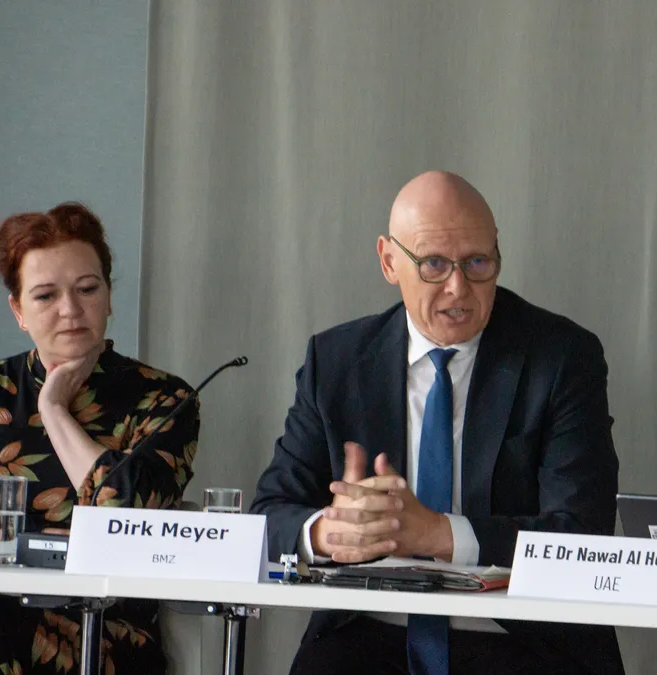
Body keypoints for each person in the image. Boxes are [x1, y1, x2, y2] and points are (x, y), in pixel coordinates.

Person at [250, 170, 623, 675]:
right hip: (369, 632)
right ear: (388, 260)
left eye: (477, 263)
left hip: (517, 637)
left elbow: (581, 534)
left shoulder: (561, 358)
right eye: (432, 264)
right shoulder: (337, 361)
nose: (458, 288)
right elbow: (270, 513)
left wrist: (439, 534)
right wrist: (328, 533)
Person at [0, 203, 200, 675]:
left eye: (87, 288)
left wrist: (54, 410)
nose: (70, 310)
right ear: (18, 310)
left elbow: (133, 515)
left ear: (108, 297)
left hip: (103, 623)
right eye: (45, 296)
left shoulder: (164, 398)